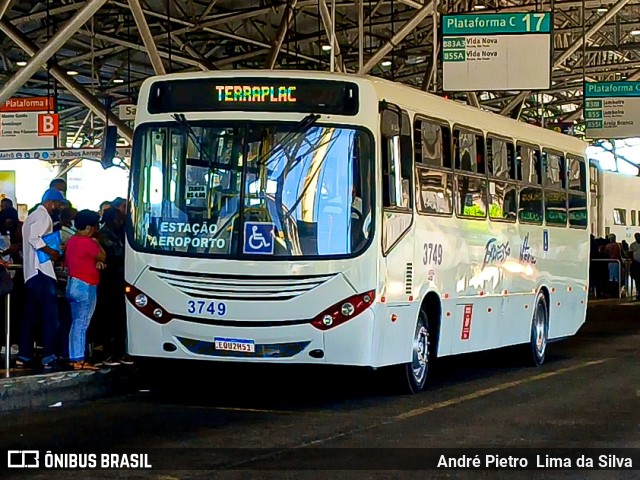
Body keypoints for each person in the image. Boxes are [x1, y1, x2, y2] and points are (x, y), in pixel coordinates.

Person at [16, 188, 66, 369]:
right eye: (59, 204)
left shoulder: (31, 216)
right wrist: (52, 252)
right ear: (50, 202)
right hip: (42, 272)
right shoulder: (44, 217)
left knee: (29, 317)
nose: (59, 208)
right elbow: (35, 239)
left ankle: (24, 355)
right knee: (50, 317)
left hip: (30, 274)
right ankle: (49, 356)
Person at [65, 210, 106, 370]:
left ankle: (74, 357)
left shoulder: (72, 241)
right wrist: (96, 242)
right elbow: (103, 256)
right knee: (81, 323)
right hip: (86, 285)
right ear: (89, 226)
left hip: (72, 283)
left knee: (75, 322)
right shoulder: (88, 242)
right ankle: (78, 359)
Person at [629, 233, 640, 301]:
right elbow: (630, 253)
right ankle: (638, 292)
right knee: (637, 278)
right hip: (636, 263)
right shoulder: (633, 245)